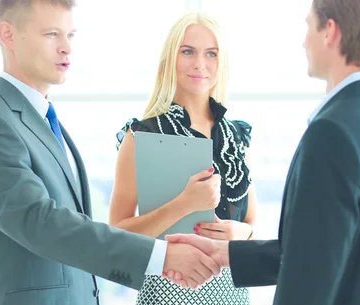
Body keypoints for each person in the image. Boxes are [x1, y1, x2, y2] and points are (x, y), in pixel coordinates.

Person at [165, 0, 360, 304]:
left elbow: (308, 279)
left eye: (309, 26)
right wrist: (225, 254)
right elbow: (322, 249)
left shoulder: (332, 131)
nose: (303, 41)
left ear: (330, 32)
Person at [0, 1, 220, 304]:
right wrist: (160, 256)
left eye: (71, 36)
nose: (66, 48)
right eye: (51, 34)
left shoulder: (44, 119)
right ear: (7, 35)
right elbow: (38, 220)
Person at [110, 11, 258, 305]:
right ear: (170, 60)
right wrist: (184, 205)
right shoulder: (140, 135)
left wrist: (242, 233)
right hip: (167, 293)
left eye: (211, 54)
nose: (200, 64)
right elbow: (116, 235)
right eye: (188, 51)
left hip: (233, 293)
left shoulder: (236, 137)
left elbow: (251, 222)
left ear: (222, 62)